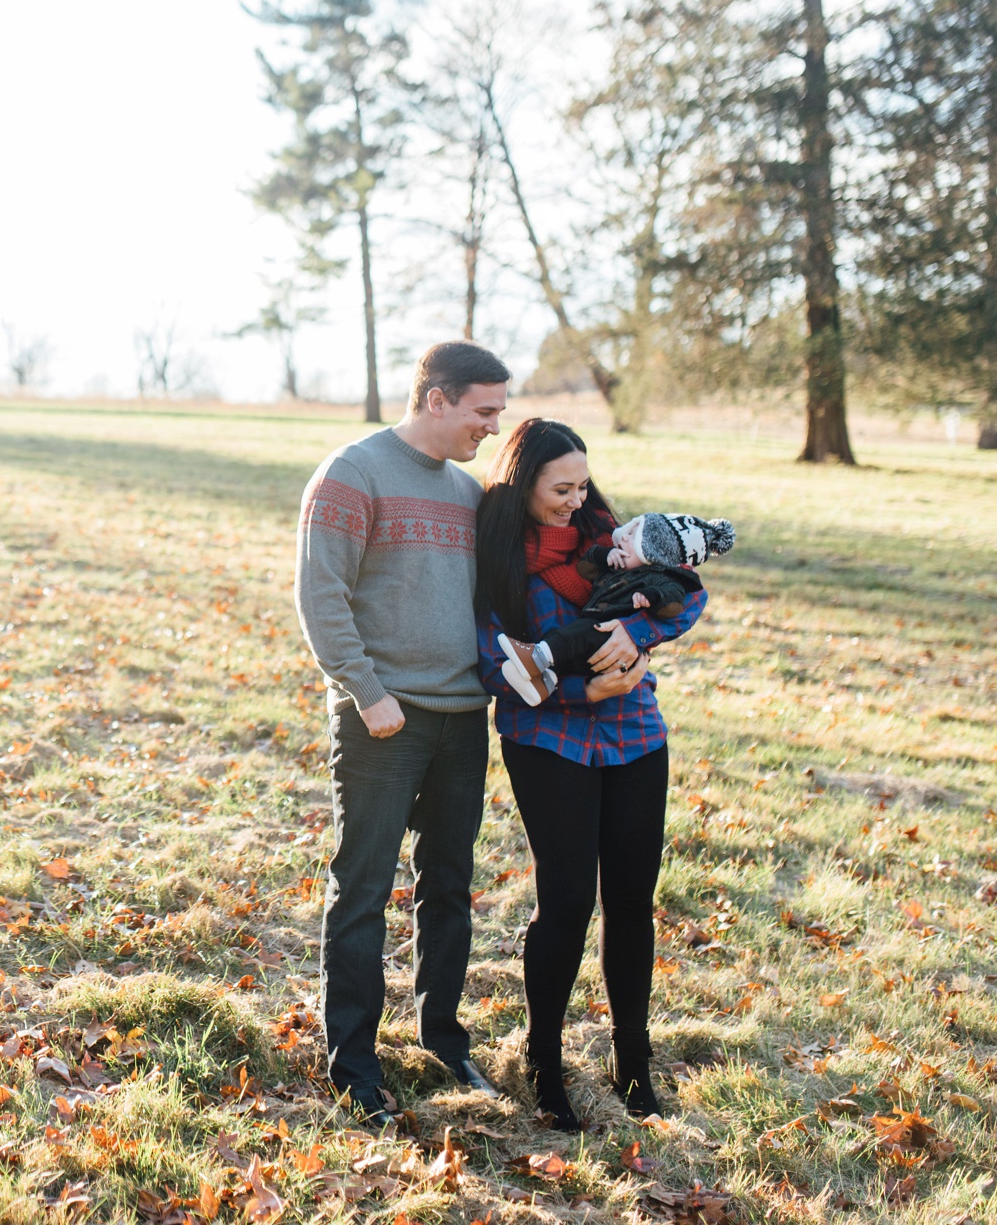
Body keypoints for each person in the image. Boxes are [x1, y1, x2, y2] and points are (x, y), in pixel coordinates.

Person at [294, 340, 511, 1122]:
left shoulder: (468, 492)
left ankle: (441, 1038)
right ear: (437, 399)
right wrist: (366, 691)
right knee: (363, 886)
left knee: (448, 886)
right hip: (383, 719)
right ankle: (351, 1063)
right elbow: (321, 594)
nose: (493, 425)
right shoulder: (352, 473)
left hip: (463, 718)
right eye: (484, 409)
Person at [472, 418, 707, 1130]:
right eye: (559, 489)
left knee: (633, 899)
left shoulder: (614, 538)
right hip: (549, 740)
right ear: (523, 485)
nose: (576, 499)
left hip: (637, 737)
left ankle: (633, 1063)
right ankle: (544, 1062)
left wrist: (638, 635)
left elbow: (685, 592)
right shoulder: (497, 557)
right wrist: (583, 691)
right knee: (568, 900)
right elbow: (494, 668)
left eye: (582, 483)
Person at [495, 511, 734, 705]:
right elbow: (585, 569)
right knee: (573, 647)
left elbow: (674, 600)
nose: (623, 539)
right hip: (598, 632)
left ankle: (538, 655)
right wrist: (604, 556)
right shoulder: (620, 566)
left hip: (606, 633)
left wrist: (649, 598)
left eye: (634, 538)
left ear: (653, 554)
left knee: (573, 636)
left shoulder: (659, 578)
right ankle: (546, 681)